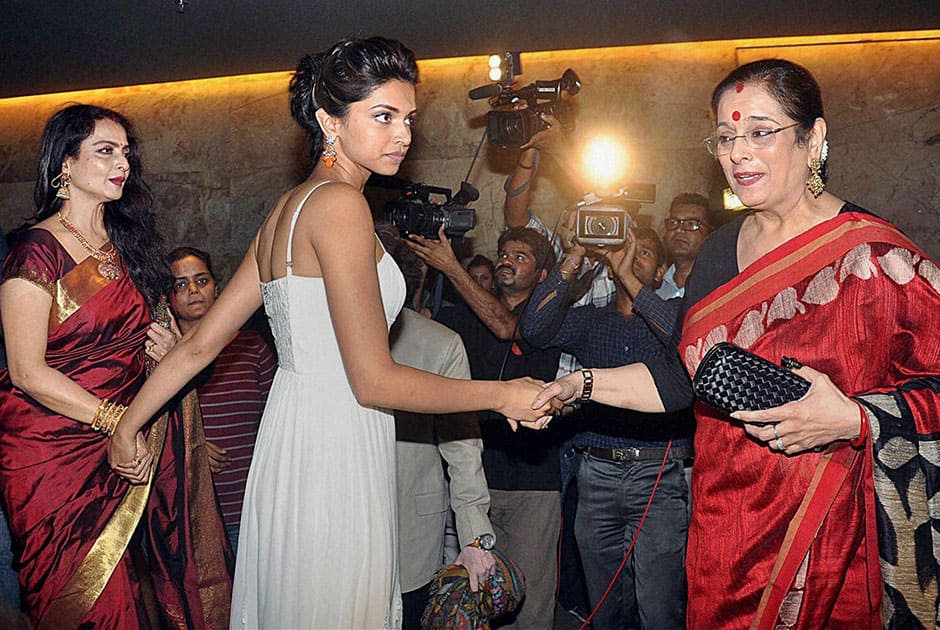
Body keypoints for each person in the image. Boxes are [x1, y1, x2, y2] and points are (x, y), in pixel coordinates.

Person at [530, 58, 940, 628]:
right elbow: (685, 378)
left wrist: (857, 419)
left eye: (759, 131)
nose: (736, 152)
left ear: (814, 139)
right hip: (721, 534)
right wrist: (577, 384)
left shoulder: (874, 258)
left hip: (826, 538)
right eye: (725, 137)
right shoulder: (715, 253)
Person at [105, 37, 554, 629]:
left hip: (291, 441)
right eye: (383, 116)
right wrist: (503, 395)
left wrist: (126, 425)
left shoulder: (288, 207)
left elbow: (197, 346)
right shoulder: (342, 206)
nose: (403, 135)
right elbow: (373, 380)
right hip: (338, 444)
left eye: (409, 118)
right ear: (328, 121)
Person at [0, 104, 232, 628]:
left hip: (128, 445)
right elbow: (26, 371)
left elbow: (139, 340)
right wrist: (114, 423)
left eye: (126, 152)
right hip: (52, 456)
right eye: (105, 151)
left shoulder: (127, 250)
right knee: (82, 600)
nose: (122, 163)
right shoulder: (35, 253)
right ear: (64, 163)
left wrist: (165, 348)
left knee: (130, 591)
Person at [521, 227, 691, 629]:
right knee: (605, 606)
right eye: (626, 249)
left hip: (659, 476)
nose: (633, 256)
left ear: (660, 270)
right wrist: (573, 256)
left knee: (660, 605)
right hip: (596, 473)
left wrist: (626, 273)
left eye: (645, 253)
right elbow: (533, 328)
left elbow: (686, 342)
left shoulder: (677, 311)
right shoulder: (590, 320)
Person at [414, 226, 564, 629]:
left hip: (533, 482)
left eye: (520, 256)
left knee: (528, 602)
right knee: (471, 599)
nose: (506, 260)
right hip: (471, 481)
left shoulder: (551, 317)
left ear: (543, 273)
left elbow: (507, 326)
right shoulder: (464, 316)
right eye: (503, 252)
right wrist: (421, 270)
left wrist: (452, 268)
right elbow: (411, 323)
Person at [379, 225, 496, 629]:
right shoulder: (325, 340)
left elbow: (463, 450)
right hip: (338, 524)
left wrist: (475, 537)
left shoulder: (440, 343)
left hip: (412, 529)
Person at [167, 246, 277, 552]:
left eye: (202, 281)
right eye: (181, 284)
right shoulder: (162, 356)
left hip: (249, 509)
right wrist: (190, 445)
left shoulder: (252, 347)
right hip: (189, 514)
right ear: (169, 298)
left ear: (217, 286)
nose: (193, 290)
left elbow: (278, 420)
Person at [655, 192, 713, 300]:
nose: (679, 230)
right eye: (673, 223)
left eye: (690, 224)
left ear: (708, 233)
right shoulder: (656, 288)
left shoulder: (717, 286)